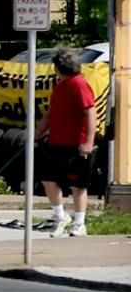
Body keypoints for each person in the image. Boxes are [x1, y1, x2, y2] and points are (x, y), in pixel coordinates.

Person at [40, 47, 97, 237]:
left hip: (76, 144)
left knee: (78, 185)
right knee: (48, 180)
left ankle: (80, 223)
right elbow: (50, 113)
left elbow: (90, 112)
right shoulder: (60, 85)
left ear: (59, 67)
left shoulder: (80, 85)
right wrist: (37, 134)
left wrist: (89, 142)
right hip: (56, 142)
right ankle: (61, 216)